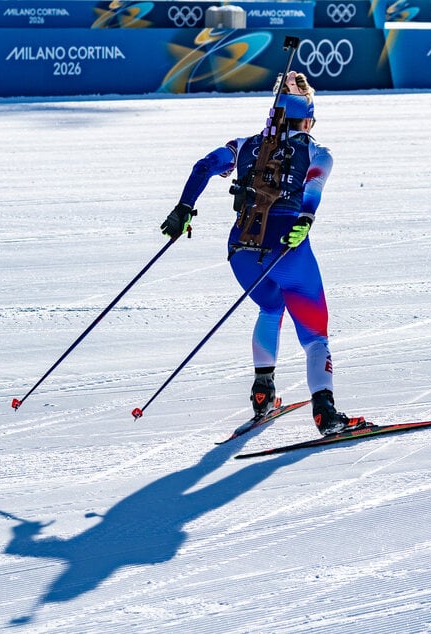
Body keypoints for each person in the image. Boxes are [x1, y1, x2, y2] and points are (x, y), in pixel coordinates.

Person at [159, 71, 364, 436]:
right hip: (288, 248)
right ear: (308, 116)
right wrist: (305, 218)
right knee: (315, 335)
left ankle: (262, 395)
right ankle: (326, 414)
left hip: (241, 250)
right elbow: (313, 184)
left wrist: (183, 209)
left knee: (271, 308)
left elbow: (204, 167)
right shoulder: (318, 150)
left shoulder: (245, 145)